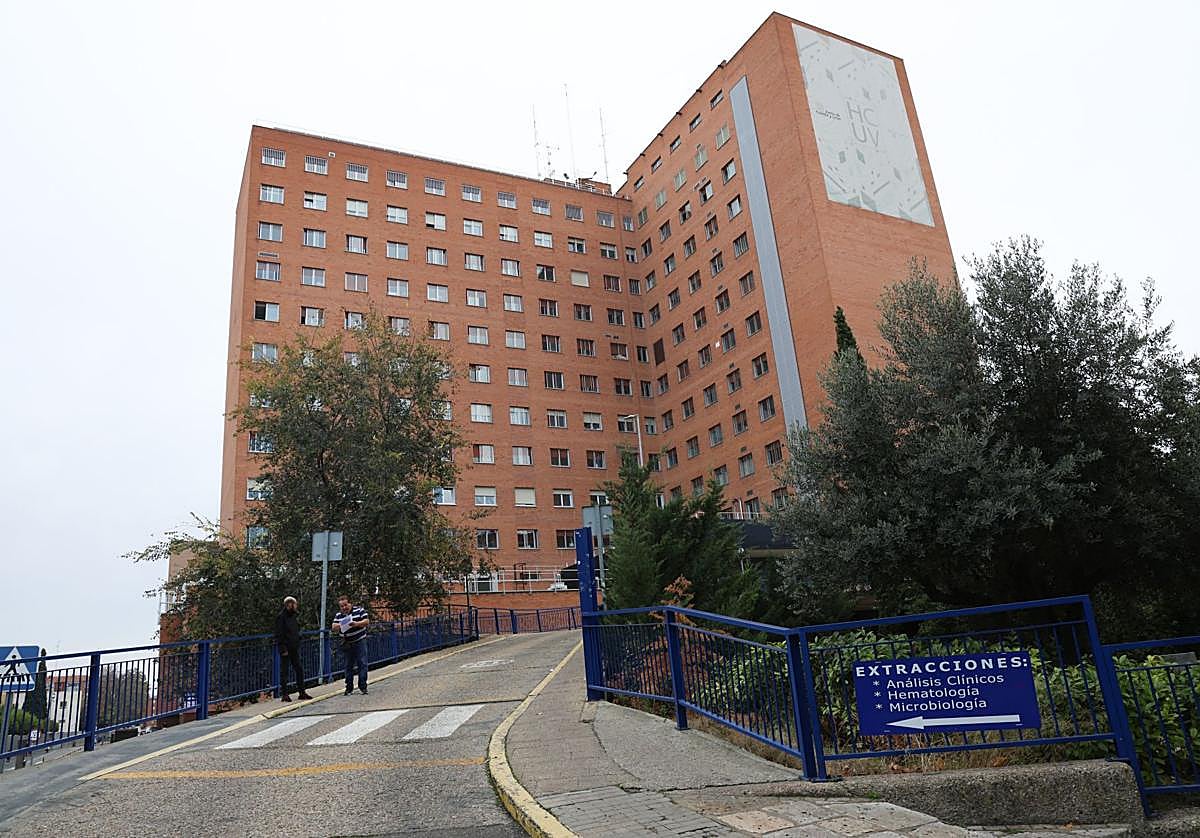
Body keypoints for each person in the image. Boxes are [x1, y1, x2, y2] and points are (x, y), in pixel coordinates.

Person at [274, 596, 312, 702]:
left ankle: (302, 692)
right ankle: (285, 694)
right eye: (294, 604)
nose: (296, 606)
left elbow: (294, 630)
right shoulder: (281, 617)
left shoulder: (293, 616)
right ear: (289, 605)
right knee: (284, 671)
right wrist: (282, 648)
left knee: (299, 669)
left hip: (294, 646)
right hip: (285, 647)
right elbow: (279, 633)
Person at [332, 594, 370, 695]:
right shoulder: (338, 615)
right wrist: (342, 625)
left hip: (360, 640)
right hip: (347, 642)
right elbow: (333, 627)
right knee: (348, 665)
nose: (344, 608)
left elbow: (366, 622)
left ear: (350, 603)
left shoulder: (359, 610)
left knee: (362, 663)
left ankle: (363, 686)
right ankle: (349, 687)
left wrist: (356, 624)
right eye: (342, 606)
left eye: (345, 605)